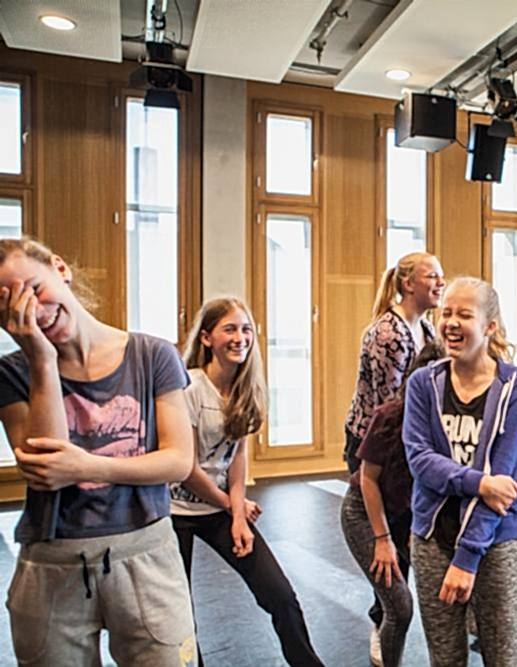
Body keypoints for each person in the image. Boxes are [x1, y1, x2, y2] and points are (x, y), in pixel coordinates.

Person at [0, 237, 197, 665]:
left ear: (60, 267)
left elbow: (179, 460)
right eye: (12, 306)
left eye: (33, 289)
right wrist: (42, 361)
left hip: (146, 554)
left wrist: (88, 465)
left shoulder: (153, 355)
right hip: (53, 562)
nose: (33, 312)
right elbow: (46, 470)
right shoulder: (14, 373)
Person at [170, 297, 323, 666]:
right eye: (230, 329)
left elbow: (237, 460)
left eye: (246, 329)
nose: (240, 338)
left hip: (221, 505)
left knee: (281, 595)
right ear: (206, 338)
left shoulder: (245, 390)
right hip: (173, 510)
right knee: (179, 616)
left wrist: (237, 516)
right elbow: (186, 468)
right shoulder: (189, 388)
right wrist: (232, 506)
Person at [403, 277, 517, 667]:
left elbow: (503, 477)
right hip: (431, 541)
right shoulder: (422, 383)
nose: (451, 323)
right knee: (444, 658)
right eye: (446, 313)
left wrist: (467, 558)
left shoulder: (516, 387)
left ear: (490, 325)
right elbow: (420, 459)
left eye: (464, 314)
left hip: (494, 544)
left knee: (504, 658)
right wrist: (478, 482)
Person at [344, 251, 444, 661]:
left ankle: (391, 611)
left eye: (441, 275)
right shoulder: (389, 333)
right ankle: (385, 615)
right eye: (431, 276)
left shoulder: (427, 328)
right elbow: (395, 407)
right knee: (384, 536)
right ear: (408, 284)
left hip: (407, 440)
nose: (440, 282)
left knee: (404, 535)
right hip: (378, 440)